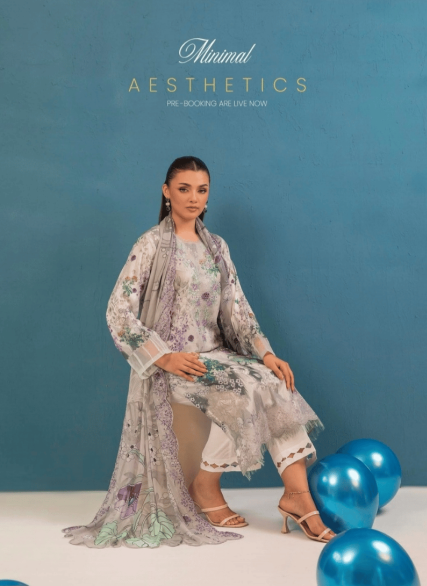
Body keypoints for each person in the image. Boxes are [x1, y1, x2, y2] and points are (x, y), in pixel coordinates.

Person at [62, 156, 335, 549]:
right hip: (176, 363)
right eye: (184, 189)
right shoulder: (150, 245)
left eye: (202, 190)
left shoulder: (216, 247)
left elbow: (237, 309)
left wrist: (266, 354)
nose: (193, 198)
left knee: (272, 381)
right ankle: (206, 486)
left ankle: (297, 496)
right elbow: (118, 311)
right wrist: (163, 357)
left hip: (215, 354)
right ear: (166, 192)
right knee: (241, 391)